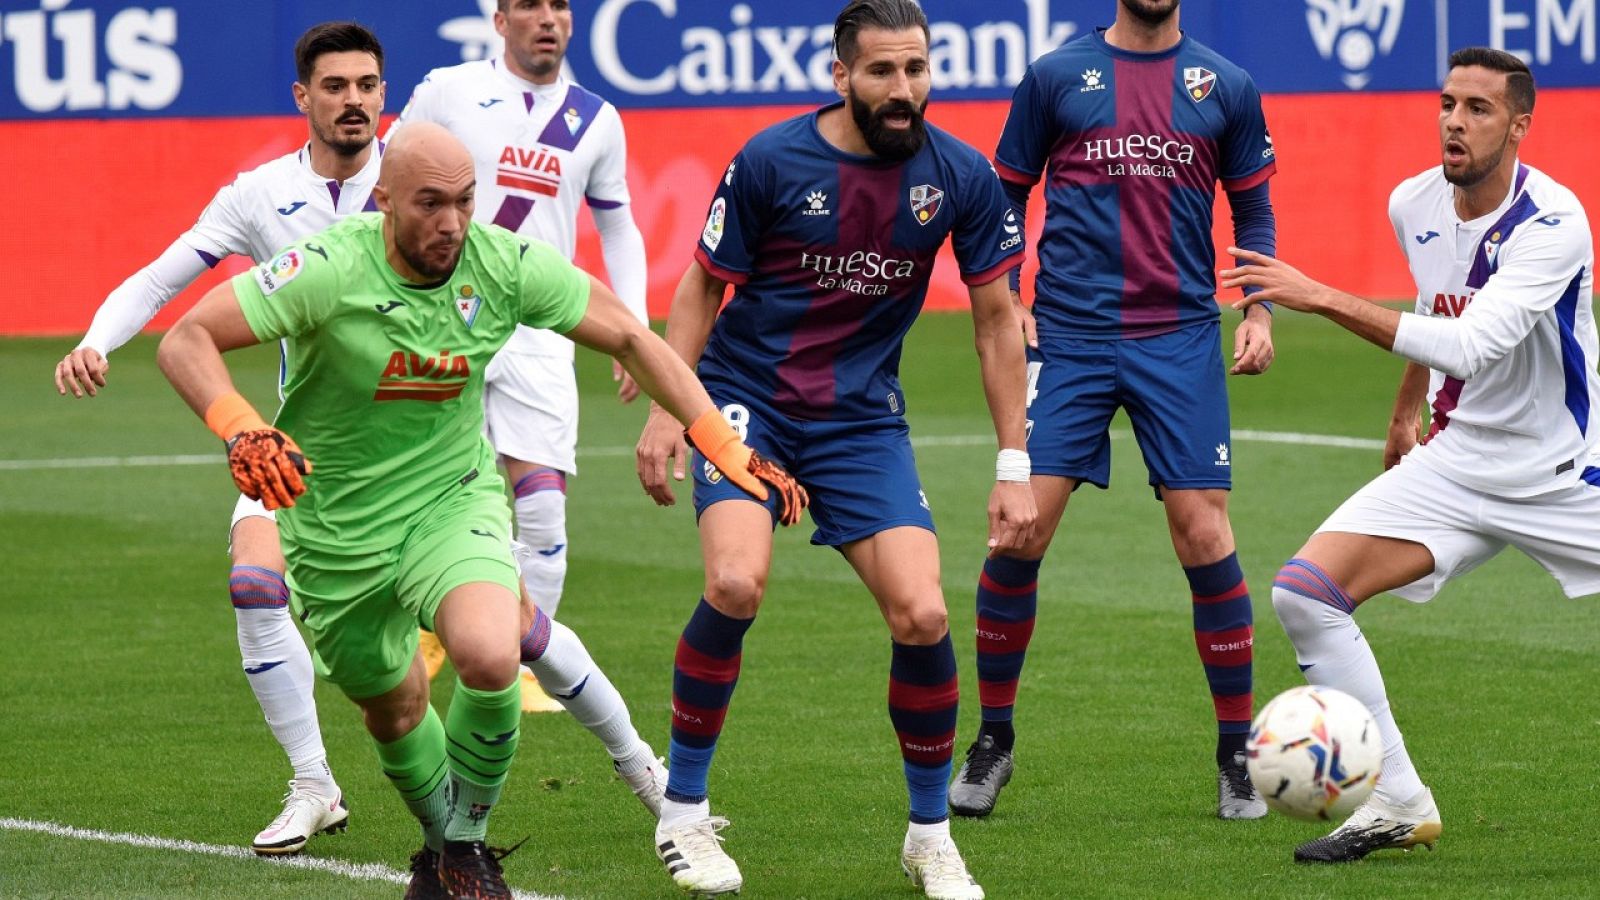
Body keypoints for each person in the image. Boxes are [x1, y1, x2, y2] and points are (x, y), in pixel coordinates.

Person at [154, 122, 805, 898]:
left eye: (465, 201)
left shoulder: (502, 264)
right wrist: (241, 425)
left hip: (449, 502)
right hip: (332, 527)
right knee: (394, 708)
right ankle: (439, 849)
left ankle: (464, 848)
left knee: (494, 655)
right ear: (385, 200)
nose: (452, 223)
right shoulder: (328, 267)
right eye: (430, 204)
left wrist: (723, 449)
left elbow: (631, 336)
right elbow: (186, 338)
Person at [634, 2, 1033, 896]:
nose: (903, 90)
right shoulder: (773, 158)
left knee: (924, 615)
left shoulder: (961, 177)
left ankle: (929, 836)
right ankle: (686, 814)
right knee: (736, 582)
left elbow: (998, 322)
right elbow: (703, 286)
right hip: (745, 404)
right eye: (884, 72)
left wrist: (1014, 466)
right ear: (841, 74)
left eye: (917, 70)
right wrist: (673, 409)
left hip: (860, 421)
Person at [1220, 47, 1594, 862]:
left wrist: (1316, 294)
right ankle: (1396, 799)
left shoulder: (1554, 223)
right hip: (1458, 463)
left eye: (1479, 109)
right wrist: (1404, 409)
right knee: (1304, 595)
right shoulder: (1413, 202)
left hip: (1563, 470)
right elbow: (1434, 299)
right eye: (1447, 103)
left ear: (1521, 125)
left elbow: (1472, 341)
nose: (1455, 122)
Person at [52, 21, 388, 855]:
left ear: (385, 92)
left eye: (368, 86)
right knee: (253, 586)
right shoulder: (258, 194)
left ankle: (654, 781)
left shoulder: (420, 178)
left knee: (504, 644)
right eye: (336, 87)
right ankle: (314, 781)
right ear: (302, 97)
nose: (354, 101)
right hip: (294, 446)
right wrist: (99, 339)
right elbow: (162, 278)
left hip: (414, 453)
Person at [948, 0, 1279, 821]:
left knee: (1205, 531)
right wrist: (1013, 301)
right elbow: (1003, 198)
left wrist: (1261, 310)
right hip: (1069, 334)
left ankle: (1236, 752)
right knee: (1020, 528)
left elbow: (1254, 208)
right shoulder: (1057, 76)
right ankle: (993, 740)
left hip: (1180, 335)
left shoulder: (1225, 85)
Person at [389, 0, 650, 714]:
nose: (548, 18)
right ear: (499, 18)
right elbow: (386, 184)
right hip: (443, 315)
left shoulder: (596, 118)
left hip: (536, 328)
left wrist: (632, 328)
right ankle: (438, 617)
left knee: (542, 509)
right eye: (529, 5)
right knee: (432, 486)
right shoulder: (449, 90)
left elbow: (618, 226)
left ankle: (525, 660)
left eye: (559, 5)